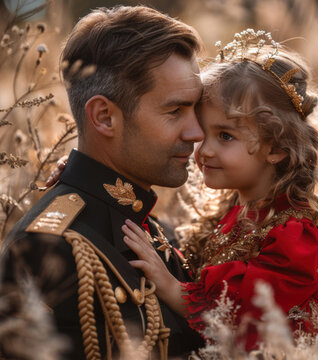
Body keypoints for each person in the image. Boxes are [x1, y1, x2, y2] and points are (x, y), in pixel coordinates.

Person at [0, 6, 205, 359]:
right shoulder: (48, 250)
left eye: (196, 110)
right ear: (105, 117)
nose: (196, 132)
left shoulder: (154, 228)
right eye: (175, 111)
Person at [120, 30, 318, 351]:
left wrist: (171, 288)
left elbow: (240, 319)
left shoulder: (294, 237)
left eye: (225, 136)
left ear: (276, 147)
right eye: (203, 132)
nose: (203, 150)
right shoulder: (233, 211)